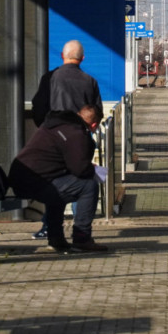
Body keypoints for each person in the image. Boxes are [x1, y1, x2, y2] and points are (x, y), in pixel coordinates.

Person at [29, 39, 103, 239]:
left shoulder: (50, 78)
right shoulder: (90, 81)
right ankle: (80, 227)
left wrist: (46, 130)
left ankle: (50, 227)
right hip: (79, 141)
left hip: (53, 142)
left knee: (57, 181)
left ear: (62, 56)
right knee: (82, 180)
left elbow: (38, 108)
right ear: (82, 58)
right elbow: (97, 112)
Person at [9, 105, 107, 253]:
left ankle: (56, 239)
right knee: (89, 186)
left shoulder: (56, 124)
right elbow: (80, 169)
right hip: (35, 181)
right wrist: (92, 169)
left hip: (23, 178)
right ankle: (82, 237)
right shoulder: (76, 133)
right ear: (94, 125)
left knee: (59, 191)